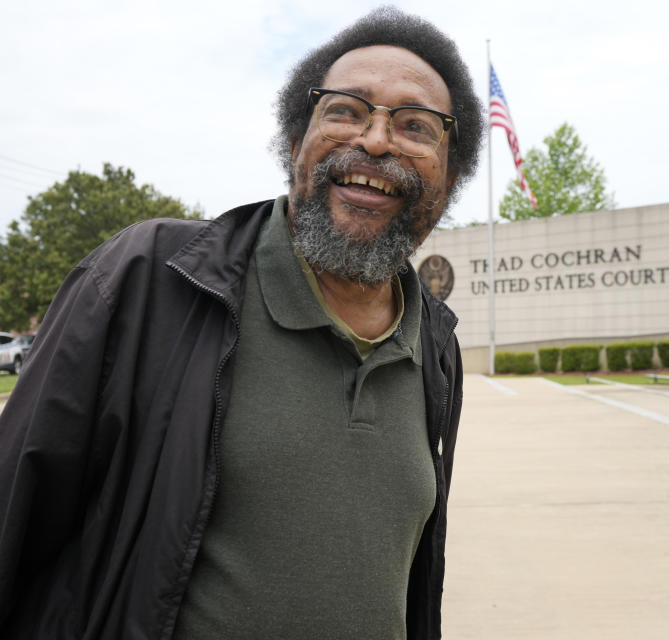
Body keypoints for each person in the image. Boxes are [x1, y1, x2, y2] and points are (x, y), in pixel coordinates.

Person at [0, 7, 483, 639]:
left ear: (447, 178)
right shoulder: (152, 279)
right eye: (344, 110)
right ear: (294, 144)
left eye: (416, 125)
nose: (375, 140)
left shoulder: (435, 344)